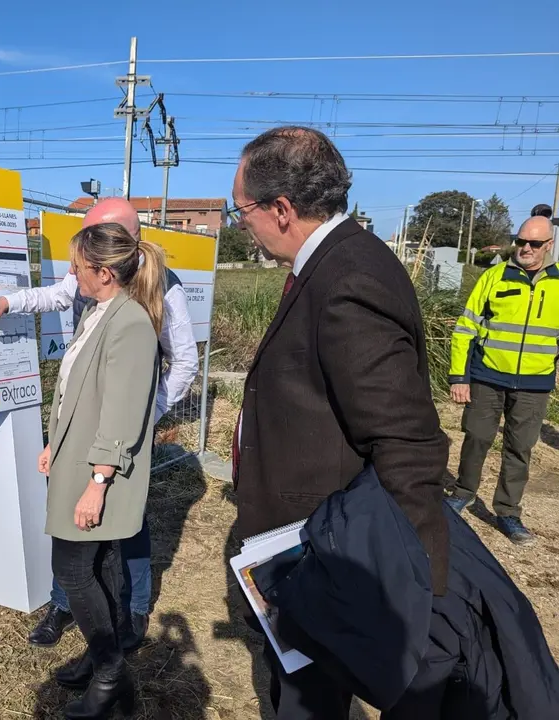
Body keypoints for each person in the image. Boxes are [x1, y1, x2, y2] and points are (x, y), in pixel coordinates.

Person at [230, 126, 449, 719]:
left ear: (280, 209)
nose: (239, 221)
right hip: (312, 538)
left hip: (324, 548)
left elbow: (406, 439)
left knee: (309, 703)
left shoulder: (347, 277)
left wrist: (415, 590)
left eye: (241, 208)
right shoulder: (330, 261)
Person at [0, 197, 199, 649]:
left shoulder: (161, 287)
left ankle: (133, 609)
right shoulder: (94, 283)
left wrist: (144, 418)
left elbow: (184, 361)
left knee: (126, 521)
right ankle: (66, 602)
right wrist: (4, 302)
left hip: (121, 428)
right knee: (76, 517)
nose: (77, 268)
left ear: (121, 244)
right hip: (90, 421)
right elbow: (53, 295)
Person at [40, 222, 162, 718]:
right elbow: (76, 390)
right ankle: (104, 665)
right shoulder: (98, 311)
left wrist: (97, 484)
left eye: (78, 264)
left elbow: (122, 413)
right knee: (98, 566)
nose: (72, 272)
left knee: (71, 569)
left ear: (105, 273)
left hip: (97, 471)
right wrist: (54, 443)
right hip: (77, 459)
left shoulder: (130, 323)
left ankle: (111, 671)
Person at [446, 215, 558, 544]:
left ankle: (508, 512)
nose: (525, 248)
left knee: (519, 448)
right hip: (487, 377)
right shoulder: (494, 276)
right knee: (477, 436)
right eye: (520, 241)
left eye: (534, 244)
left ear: (548, 245)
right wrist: (459, 376)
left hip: (534, 385)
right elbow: (465, 329)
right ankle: (463, 492)